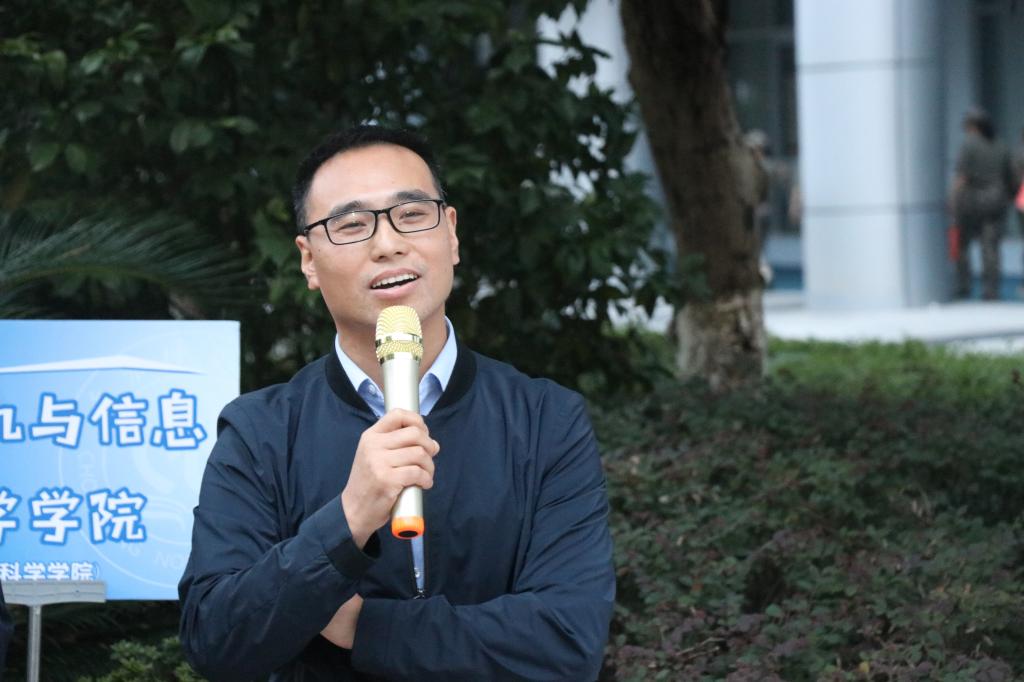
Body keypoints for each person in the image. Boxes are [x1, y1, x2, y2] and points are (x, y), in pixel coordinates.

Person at [177, 125, 615, 681]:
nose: (387, 244)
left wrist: (366, 629)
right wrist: (348, 519)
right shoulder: (260, 431)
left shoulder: (544, 419)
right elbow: (215, 639)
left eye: (411, 215)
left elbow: (567, 643)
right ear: (308, 260)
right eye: (351, 225)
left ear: (451, 234)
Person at [950, 108, 1017, 300]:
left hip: (971, 201)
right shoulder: (1001, 145)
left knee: (963, 245)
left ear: (972, 126)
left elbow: (962, 178)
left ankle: (963, 286)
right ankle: (992, 290)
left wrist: (952, 199)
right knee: (991, 247)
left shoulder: (968, 145)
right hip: (996, 201)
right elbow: (1012, 177)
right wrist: (1010, 197)